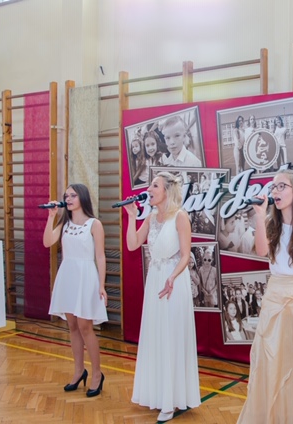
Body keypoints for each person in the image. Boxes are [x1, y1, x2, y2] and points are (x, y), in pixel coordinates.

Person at [237, 169, 293, 424]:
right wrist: (259, 216)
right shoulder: (269, 222)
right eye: (273, 187)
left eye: (281, 186)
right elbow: (261, 251)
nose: (275, 191)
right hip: (275, 295)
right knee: (269, 358)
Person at [123, 172, 200, 422]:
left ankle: (172, 400)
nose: (149, 189)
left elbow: (186, 255)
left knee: (171, 336)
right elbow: (133, 244)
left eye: (154, 185)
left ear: (166, 190)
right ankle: (159, 393)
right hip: (155, 279)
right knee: (156, 335)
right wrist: (132, 217)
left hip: (173, 281)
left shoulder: (180, 216)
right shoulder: (150, 218)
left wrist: (172, 277)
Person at [43, 183, 108, 397]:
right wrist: (51, 216)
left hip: (86, 276)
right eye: (66, 196)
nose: (68, 199)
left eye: (73, 195)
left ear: (83, 198)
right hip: (68, 274)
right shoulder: (65, 223)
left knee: (85, 326)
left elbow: (100, 256)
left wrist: (101, 285)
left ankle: (97, 374)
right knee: (72, 325)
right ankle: (79, 371)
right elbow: (47, 242)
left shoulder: (94, 224)